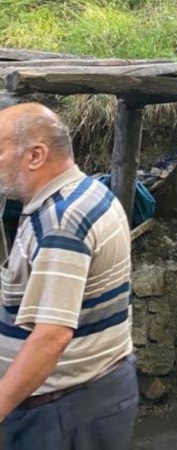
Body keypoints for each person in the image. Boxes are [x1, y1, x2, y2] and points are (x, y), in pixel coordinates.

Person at [0, 103, 138, 449]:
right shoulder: (88, 193)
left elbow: (51, 338)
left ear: (35, 155)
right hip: (90, 394)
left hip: (64, 411)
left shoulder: (61, 223)